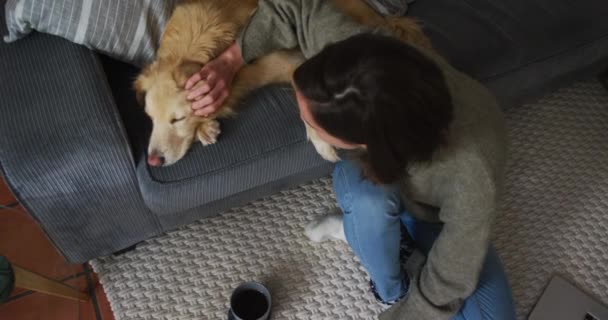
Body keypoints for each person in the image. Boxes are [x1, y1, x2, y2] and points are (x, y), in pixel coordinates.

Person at [186, 1, 516, 319]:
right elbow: (294, 5)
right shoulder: (358, 54)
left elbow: (450, 280)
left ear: (361, 142)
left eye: (312, 124)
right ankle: (387, 281)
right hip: (378, 185)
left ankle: (381, 237)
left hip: (434, 214)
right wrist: (229, 62)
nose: (305, 122)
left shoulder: (473, 173)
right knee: (367, 200)